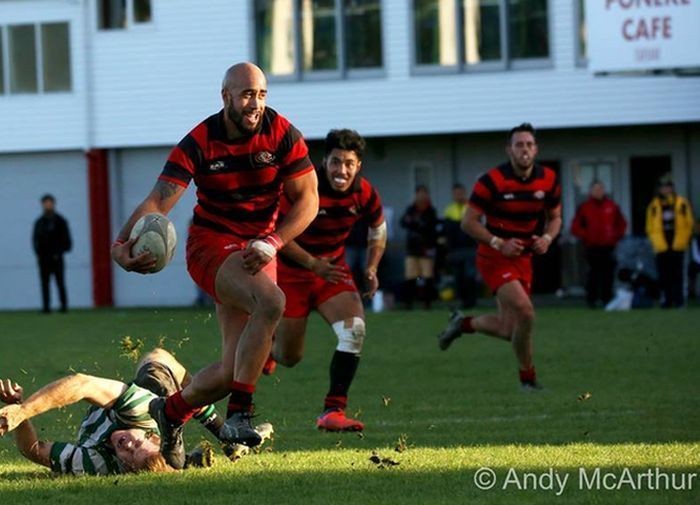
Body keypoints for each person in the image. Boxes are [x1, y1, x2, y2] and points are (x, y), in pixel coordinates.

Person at [111, 62, 318, 468]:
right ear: (225, 97)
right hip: (211, 246)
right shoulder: (200, 140)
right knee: (272, 303)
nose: (255, 104)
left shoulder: (282, 133)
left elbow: (309, 199)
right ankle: (241, 413)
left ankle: (168, 413)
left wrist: (274, 241)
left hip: (260, 247)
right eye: (246, 95)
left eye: (261, 95)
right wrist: (121, 244)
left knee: (230, 370)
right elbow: (159, 200)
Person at [268, 129, 386, 432]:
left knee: (354, 332)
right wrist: (310, 263)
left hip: (332, 271)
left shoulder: (365, 193)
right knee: (289, 357)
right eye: (335, 162)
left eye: (348, 163)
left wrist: (371, 267)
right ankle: (269, 347)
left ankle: (332, 411)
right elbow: (279, 234)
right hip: (292, 272)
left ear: (358, 165)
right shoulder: (305, 186)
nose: (341, 170)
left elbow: (378, 229)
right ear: (325, 161)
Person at [0, 348, 272, 475]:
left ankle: (194, 457)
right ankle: (221, 433)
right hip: (152, 409)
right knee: (158, 361)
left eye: (127, 454)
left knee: (160, 370)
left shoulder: (99, 464)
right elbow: (81, 384)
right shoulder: (141, 414)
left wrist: (17, 412)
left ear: (124, 466)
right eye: (137, 444)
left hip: (154, 428)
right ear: (152, 437)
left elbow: (33, 450)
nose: (127, 444)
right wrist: (24, 411)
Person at [437, 123, 562, 390]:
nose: (524, 150)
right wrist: (498, 242)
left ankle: (463, 323)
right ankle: (528, 379)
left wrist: (548, 238)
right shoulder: (491, 181)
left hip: (524, 259)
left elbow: (555, 218)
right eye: (519, 145)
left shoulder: (549, 180)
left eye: (529, 144)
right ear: (509, 150)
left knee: (509, 329)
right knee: (526, 313)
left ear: (536, 149)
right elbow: (468, 222)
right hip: (493, 256)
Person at [571, 181, 627, 307]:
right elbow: (575, 227)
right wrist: (587, 236)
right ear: (590, 191)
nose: (598, 191)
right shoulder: (585, 207)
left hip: (608, 246)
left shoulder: (612, 206)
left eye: (600, 189)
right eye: (595, 189)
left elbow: (622, 224)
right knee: (593, 274)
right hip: (592, 247)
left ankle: (607, 299)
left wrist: (615, 236)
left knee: (608, 275)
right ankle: (592, 300)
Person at [645, 175, 694, 308]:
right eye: (663, 187)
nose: (665, 190)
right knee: (663, 275)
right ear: (659, 189)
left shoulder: (681, 203)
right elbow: (649, 227)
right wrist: (655, 242)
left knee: (678, 275)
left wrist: (684, 240)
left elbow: (689, 223)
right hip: (661, 245)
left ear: (672, 188)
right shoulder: (654, 205)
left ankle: (679, 301)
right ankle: (666, 301)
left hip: (678, 244)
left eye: (668, 187)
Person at [32, 194, 72, 313]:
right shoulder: (39, 222)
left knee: (60, 282)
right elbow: (35, 239)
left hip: (57, 258)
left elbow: (67, 239)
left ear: (54, 204)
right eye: (46, 203)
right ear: (42, 204)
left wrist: (60, 252)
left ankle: (63, 307)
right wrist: (39, 253)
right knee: (45, 283)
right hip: (43, 258)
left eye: (50, 202)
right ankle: (46, 307)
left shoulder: (60, 221)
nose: (48, 205)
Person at [400, 185, 438, 309]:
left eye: (424, 193)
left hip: (426, 248)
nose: (422, 196)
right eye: (420, 193)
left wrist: (416, 224)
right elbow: (404, 222)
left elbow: (430, 227)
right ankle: (408, 303)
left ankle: (427, 303)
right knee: (410, 276)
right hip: (412, 248)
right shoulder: (411, 209)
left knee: (427, 276)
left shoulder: (431, 210)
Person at [443, 183, 477, 308]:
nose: (458, 195)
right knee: (459, 277)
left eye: (460, 193)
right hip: (455, 250)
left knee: (470, 276)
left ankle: (472, 301)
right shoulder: (449, 209)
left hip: (470, 248)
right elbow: (447, 231)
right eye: (456, 193)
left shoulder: (471, 207)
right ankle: (463, 301)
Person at [688, 222, 700, 299]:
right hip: (696, 262)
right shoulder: (693, 239)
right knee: (691, 270)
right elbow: (695, 255)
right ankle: (692, 292)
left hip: (697, 261)